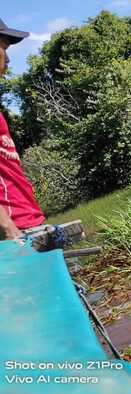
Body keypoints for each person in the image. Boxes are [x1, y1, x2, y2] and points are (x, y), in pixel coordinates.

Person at [0, 19, 45, 240]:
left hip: (25, 222)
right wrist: (7, 227)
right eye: (3, 48)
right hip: (14, 230)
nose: (7, 59)